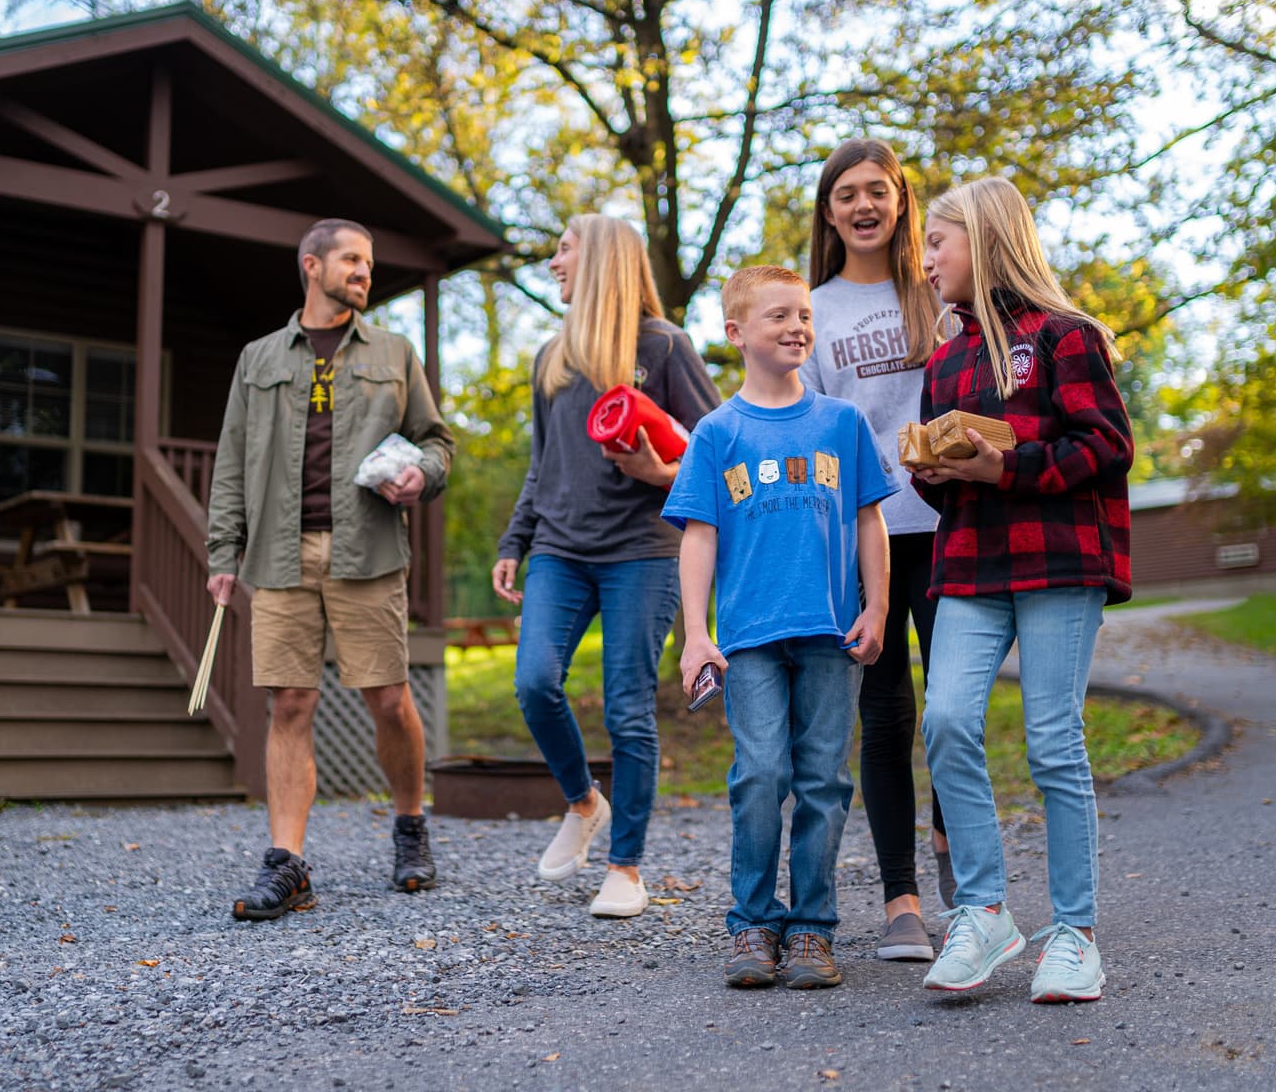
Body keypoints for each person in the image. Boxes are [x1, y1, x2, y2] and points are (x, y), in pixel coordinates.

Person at [910, 177, 1133, 1003]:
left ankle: (1076, 934)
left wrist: (1006, 467)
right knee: (945, 720)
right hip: (972, 562)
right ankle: (984, 912)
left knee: (1052, 741)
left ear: (985, 239)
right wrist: (937, 470)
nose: (926, 260)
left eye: (938, 242)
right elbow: (947, 486)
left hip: (1060, 561)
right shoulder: (944, 359)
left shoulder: (1067, 336)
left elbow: (1106, 445)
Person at [207, 218, 455, 920]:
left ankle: (409, 824)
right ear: (311, 266)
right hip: (278, 556)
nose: (364, 272)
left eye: (368, 262)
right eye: (351, 259)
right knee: (289, 702)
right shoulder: (258, 358)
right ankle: (287, 864)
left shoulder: (395, 352)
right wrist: (222, 552)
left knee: (388, 699)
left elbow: (437, 441)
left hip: (367, 553)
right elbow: (231, 460)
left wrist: (423, 473)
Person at [663, 265, 893, 991]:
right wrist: (696, 633)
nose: (797, 326)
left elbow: (869, 520)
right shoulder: (716, 433)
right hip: (748, 642)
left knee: (824, 779)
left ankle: (813, 929)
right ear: (735, 333)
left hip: (832, 635)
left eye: (804, 315)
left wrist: (878, 607)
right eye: (779, 316)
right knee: (760, 774)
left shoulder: (841, 423)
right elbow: (698, 537)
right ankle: (755, 922)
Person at [493, 215, 719, 919]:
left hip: (642, 553)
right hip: (559, 550)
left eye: (564, 248)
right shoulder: (552, 358)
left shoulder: (665, 346)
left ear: (600, 260)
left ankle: (625, 868)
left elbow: (716, 452)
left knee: (627, 709)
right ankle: (584, 801)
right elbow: (542, 464)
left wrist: (660, 473)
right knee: (534, 682)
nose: (554, 261)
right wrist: (514, 541)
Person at [799, 139, 951, 964]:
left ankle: (954, 844)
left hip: (952, 524)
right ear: (828, 214)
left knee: (955, 709)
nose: (864, 205)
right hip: (866, 538)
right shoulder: (813, 309)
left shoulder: (937, 291)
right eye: (847, 194)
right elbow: (810, 430)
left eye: (877, 191)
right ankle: (902, 901)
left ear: (901, 201)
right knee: (885, 713)